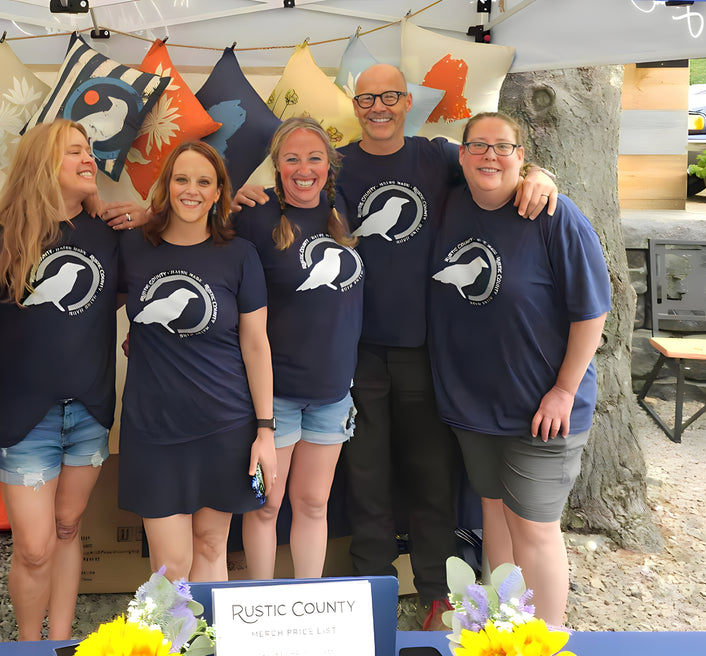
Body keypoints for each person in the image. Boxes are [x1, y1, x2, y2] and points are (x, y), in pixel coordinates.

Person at [235, 63, 558, 628]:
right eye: (367, 97)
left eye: (390, 96)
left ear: (408, 101)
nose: (378, 106)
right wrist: (244, 195)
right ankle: (372, 587)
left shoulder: (435, 156)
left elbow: (493, 169)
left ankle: (435, 590)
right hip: (354, 352)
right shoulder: (338, 166)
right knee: (365, 478)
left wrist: (539, 173)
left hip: (426, 349)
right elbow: (291, 197)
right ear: (354, 106)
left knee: (431, 473)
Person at [427, 112, 609, 626]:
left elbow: (592, 312)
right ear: (461, 155)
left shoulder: (554, 215)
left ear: (522, 157)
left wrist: (564, 391)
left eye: (503, 147)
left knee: (534, 527)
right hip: (475, 407)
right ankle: (505, 630)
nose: (490, 156)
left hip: (542, 410)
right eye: (478, 146)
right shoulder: (450, 204)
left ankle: (545, 637)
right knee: (495, 519)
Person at [0, 119, 123, 641]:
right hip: (21, 414)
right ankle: (28, 643)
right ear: (43, 165)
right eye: (76, 153)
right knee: (34, 545)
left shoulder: (107, 235)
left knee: (67, 529)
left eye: (90, 151)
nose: (90, 160)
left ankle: (62, 641)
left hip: (88, 410)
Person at [119, 140, 276, 583]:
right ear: (166, 187)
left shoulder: (239, 255)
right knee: (171, 566)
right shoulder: (134, 248)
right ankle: (171, 650)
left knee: (211, 547)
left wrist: (264, 430)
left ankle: (211, 648)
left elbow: (256, 345)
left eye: (203, 181)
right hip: (155, 429)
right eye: (181, 179)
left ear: (217, 193)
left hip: (224, 425)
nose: (192, 190)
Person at [232, 117, 361, 580]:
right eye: (291, 159)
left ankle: (309, 606)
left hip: (332, 394)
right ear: (276, 166)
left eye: (314, 158)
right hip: (275, 397)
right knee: (266, 505)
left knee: (313, 504)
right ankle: (261, 609)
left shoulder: (346, 208)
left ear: (330, 165)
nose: (303, 168)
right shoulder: (253, 214)